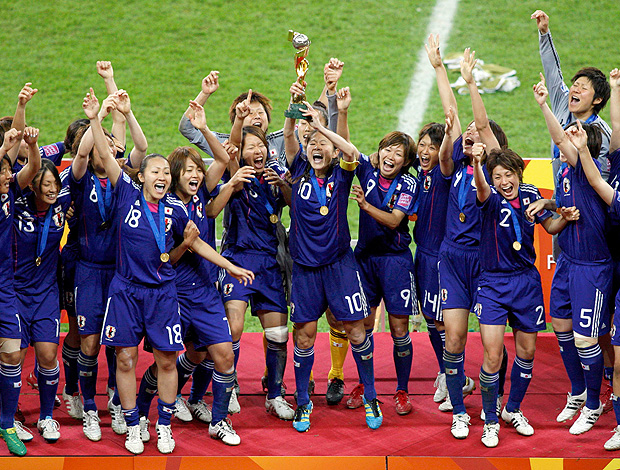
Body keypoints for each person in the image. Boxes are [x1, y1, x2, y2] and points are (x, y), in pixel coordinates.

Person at [83, 89, 253, 455]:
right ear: (142, 176)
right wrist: (97, 118)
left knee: (165, 359)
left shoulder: (175, 208)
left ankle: (163, 426)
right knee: (125, 358)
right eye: (155, 171)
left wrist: (231, 266)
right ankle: (132, 426)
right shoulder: (127, 192)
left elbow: (197, 244)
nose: (161, 176)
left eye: (164, 172)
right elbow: (110, 159)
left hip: (163, 293)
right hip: (126, 291)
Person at [284, 101, 381, 432]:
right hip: (306, 270)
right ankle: (302, 402)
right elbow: (289, 136)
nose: (316, 147)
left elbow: (350, 149)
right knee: (304, 336)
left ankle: (370, 396)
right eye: (312, 144)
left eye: (322, 144)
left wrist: (323, 129)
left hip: (339, 266)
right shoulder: (298, 170)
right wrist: (295, 113)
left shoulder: (342, 173)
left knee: (356, 330)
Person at [471, 141, 575, 447]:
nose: (504, 182)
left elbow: (552, 227)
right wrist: (478, 164)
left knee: (527, 353)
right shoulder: (488, 197)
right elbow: (480, 186)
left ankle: (512, 409)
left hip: (526, 283)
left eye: (509, 175)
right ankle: (490, 421)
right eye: (498, 176)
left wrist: (561, 213)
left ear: (519, 173)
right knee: (493, 354)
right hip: (492, 284)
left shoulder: (530, 194)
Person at [533, 75, 611, 435]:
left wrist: (545, 105)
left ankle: (594, 404)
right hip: (566, 260)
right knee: (561, 328)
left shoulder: (588, 170)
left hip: (593, 268)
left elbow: (561, 139)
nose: (571, 136)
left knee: (586, 339)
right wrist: (550, 204)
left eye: (579, 136)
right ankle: (579, 392)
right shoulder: (567, 172)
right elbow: (565, 202)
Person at [70, 87, 147, 441]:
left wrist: (119, 110)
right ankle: (89, 408)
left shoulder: (124, 182)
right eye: (107, 145)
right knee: (88, 343)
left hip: (117, 273)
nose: (109, 149)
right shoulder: (81, 176)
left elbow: (139, 148)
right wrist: (95, 117)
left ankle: (117, 402)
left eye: (114, 148)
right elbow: (86, 149)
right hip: (87, 271)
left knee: (119, 344)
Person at [217, 123, 294, 421]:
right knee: (233, 327)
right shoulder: (235, 173)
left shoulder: (277, 174)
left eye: (261, 145)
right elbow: (232, 151)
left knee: (277, 333)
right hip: (238, 259)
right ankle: (230, 386)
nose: (258, 151)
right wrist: (237, 123)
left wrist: (284, 184)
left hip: (270, 262)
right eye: (251, 147)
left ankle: (274, 395)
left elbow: (295, 208)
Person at [349, 128, 419, 415]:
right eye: (387, 149)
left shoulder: (408, 184)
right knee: (362, 326)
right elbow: (348, 146)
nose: (391, 156)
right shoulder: (366, 168)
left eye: (398, 154)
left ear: (405, 161)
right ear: (379, 152)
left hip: (395, 261)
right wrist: (342, 111)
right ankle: (366, 384)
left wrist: (365, 205)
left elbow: (394, 220)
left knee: (399, 329)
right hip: (365, 259)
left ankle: (401, 389)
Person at [571, 80, 620, 448]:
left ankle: (600, 406)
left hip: (605, 261)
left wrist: (580, 150)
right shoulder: (618, 165)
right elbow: (617, 134)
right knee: (612, 349)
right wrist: (616, 89)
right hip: (610, 264)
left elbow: (592, 176)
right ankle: (606, 407)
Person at [13, 137, 67, 444]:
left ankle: (47, 416)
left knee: (47, 354)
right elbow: (29, 166)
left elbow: (81, 159)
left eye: (54, 184)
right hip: (15, 292)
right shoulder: (16, 203)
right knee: (14, 355)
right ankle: (11, 415)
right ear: (33, 185)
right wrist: (31, 145)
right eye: (45, 184)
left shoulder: (61, 206)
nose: (51, 189)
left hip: (46, 292)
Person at [0, 127, 40, 456]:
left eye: (6, 171)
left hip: (4, 287)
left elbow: (29, 167)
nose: (7, 175)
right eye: (1, 172)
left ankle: (6, 422)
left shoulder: (9, 191)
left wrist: (26, 143)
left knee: (13, 353)